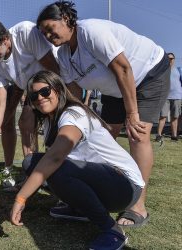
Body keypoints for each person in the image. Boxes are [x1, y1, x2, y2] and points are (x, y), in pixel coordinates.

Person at [36, 1, 170, 227]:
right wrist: (80, 124)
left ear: (67, 19)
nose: (48, 35)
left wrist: (132, 113)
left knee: (138, 133)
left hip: (147, 75)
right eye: (44, 33)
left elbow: (123, 68)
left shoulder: (91, 32)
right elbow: (75, 92)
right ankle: (94, 192)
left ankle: (138, 206)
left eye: (51, 28)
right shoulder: (64, 55)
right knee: (102, 135)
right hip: (115, 87)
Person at [11, 71, 144, 250]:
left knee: (56, 168)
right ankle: (80, 209)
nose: (40, 98)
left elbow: (55, 157)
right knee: (31, 162)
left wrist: (21, 198)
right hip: (102, 180)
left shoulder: (73, 114)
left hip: (124, 186)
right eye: (34, 96)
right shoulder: (52, 119)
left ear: (58, 89)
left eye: (45, 91)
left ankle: (112, 230)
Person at [0, 19, 59, 186]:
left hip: (55, 81)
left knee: (55, 127)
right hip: (32, 88)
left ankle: (56, 173)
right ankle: (33, 174)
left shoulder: (25, 33)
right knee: (25, 121)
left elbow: (54, 68)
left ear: (5, 39)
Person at [155, 53, 182, 142]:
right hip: (165, 97)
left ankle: (174, 136)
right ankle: (158, 135)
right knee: (163, 116)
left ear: (174, 59)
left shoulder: (179, 70)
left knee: (175, 117)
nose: (170, 60)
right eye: (168, 58)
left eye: (172, 58)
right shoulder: (161, 70)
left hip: (177, 97)